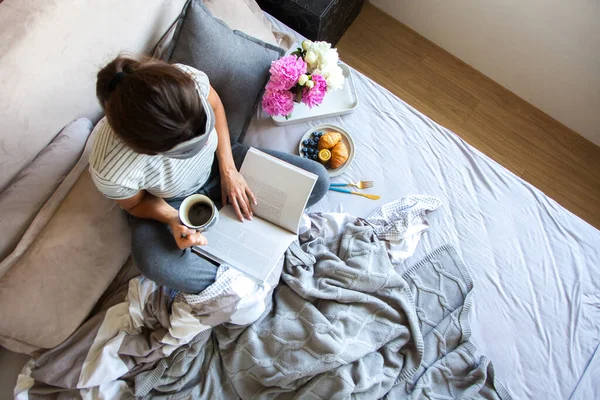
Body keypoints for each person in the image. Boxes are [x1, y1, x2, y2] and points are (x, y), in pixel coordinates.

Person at [89, 55, 329, 294]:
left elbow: (215, 105)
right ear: (146, 150)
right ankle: (237, 285)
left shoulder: (187, 79)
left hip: (224, 160)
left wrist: (229, 169)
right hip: (171, 201)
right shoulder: (110, 168)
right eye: (187, 149)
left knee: (317, 180)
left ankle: (234, 268)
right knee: (156, 265)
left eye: (203, 132)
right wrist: (174, 218)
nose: (203, 146)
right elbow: (137, 204)